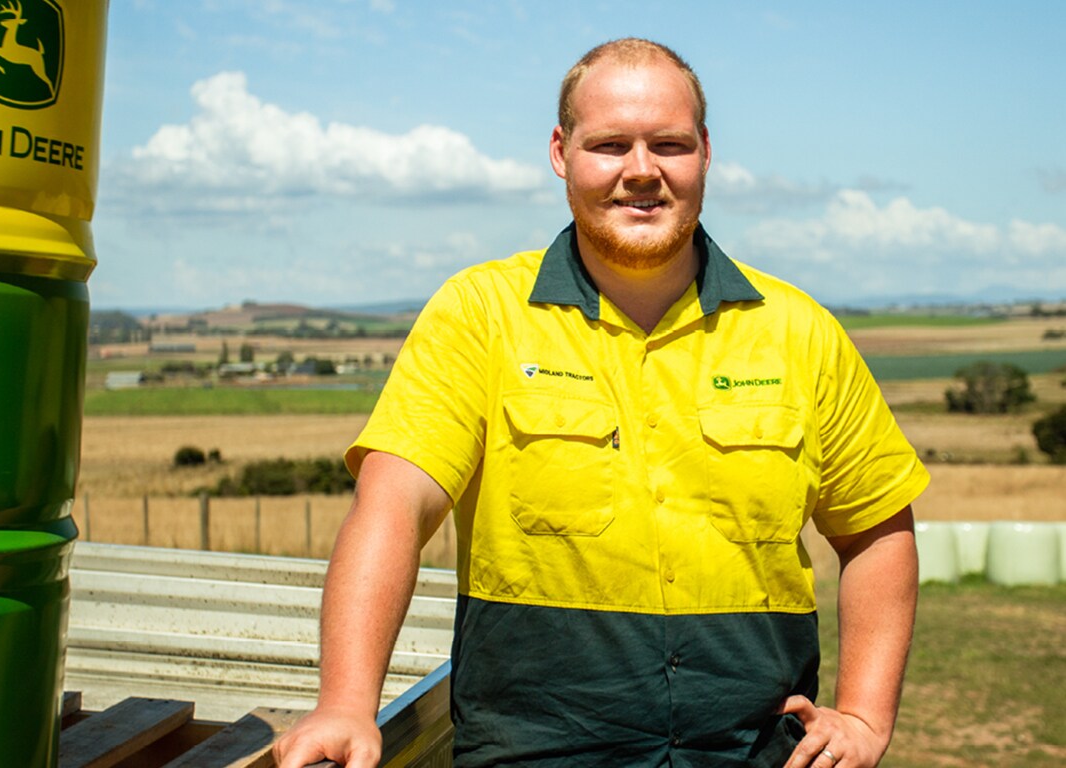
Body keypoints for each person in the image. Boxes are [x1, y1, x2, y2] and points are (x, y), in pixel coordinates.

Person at [274, 38, 927, 768]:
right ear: (561, 152)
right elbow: (393, 505)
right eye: (610, 144)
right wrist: (345, 703)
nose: (641, 171)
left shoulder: (799, 331)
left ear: (705, 152)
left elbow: (877, 529)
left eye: (669, 144)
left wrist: (867, 716)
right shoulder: (481, 314)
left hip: (754, 754)